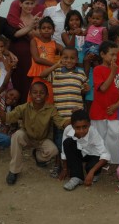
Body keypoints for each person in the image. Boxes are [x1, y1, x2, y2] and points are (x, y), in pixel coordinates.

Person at [0, 81, 68, 185]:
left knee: (53, 151)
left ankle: (37, 156)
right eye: (35, 92)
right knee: (17, 135)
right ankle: (14, 171)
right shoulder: (23, 107)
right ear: (30, 95)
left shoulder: (51, 109)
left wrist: (74, 117)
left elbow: (61, 123)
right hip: (26, 137)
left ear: (47, 95)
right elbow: (6, 118)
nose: (38, 95)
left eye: (42, 93)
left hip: (42, 140)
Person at [40, 47, 89, 178]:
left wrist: (85, 90)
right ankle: (59, 165)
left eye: (72, 58)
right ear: (61, 58)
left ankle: (74, 166)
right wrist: (56, 64)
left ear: (77, 59)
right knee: (59, 141)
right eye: (65, 57)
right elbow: (42, 75)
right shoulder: (56, 72)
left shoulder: (81, 73)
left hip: (75, 118)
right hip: (60, 117)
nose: (69, 60)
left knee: (76, 142)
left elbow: (84, 91)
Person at [90, 41, 119, 165]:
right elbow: (102, 88)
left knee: (115, 133)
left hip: (115, 109)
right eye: (111, 55)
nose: (115, 58)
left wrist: (117, 105)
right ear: (102, 54)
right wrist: (112, 72)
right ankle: (100, 160)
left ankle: (115, 160)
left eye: (116, 55)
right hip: (99, 110)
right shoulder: (97, 69)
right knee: (100, 135)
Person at [59, 110, 110, 191]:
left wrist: (91, 172)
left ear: (89, 125)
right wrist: (65, 168)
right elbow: (64, 151)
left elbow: (105, 155)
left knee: (91, 167)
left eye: (84, 127)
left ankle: (94, 173)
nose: (81, 131)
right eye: (77, 128)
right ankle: (76, 177)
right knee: (67, 143)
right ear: (72, 126)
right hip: (79, 153)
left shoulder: (93, 132)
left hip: (93, 155)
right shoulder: (68, 130)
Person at [6, 0, 42, 103]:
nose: (29, 6)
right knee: (14, 84)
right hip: (15, 56)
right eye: (26, 3)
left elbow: (39, 39)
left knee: (28, 85)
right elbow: (10, 36)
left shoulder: (36, 20)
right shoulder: (14, 19)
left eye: (32, 3)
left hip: (29, 58)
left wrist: (29, 29)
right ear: (20, 4)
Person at [28, 17, 63, 104]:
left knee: (49, 100)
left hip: (50, 78)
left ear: (53, 30)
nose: (46, 30)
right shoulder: (34, 41)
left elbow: (66, 52)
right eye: (43, 28)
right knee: (33, 101)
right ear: (39, 30)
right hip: (37, 75)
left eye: (49, 28)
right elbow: (36, 59)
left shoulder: (54, 44)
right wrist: (54, 65)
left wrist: (61, 61)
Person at [83, 8, 108, 77]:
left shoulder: (103, 29)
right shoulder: (90, 26)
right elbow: (85, 33)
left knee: (88, 59)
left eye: (97, 19)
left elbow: (105, 42)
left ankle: (96, 76)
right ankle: (87, 77)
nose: (95, 20)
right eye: (93, 18)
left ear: (103, 20)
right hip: (87, 45)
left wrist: (101, 51)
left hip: (95, 46)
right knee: (88, 61)